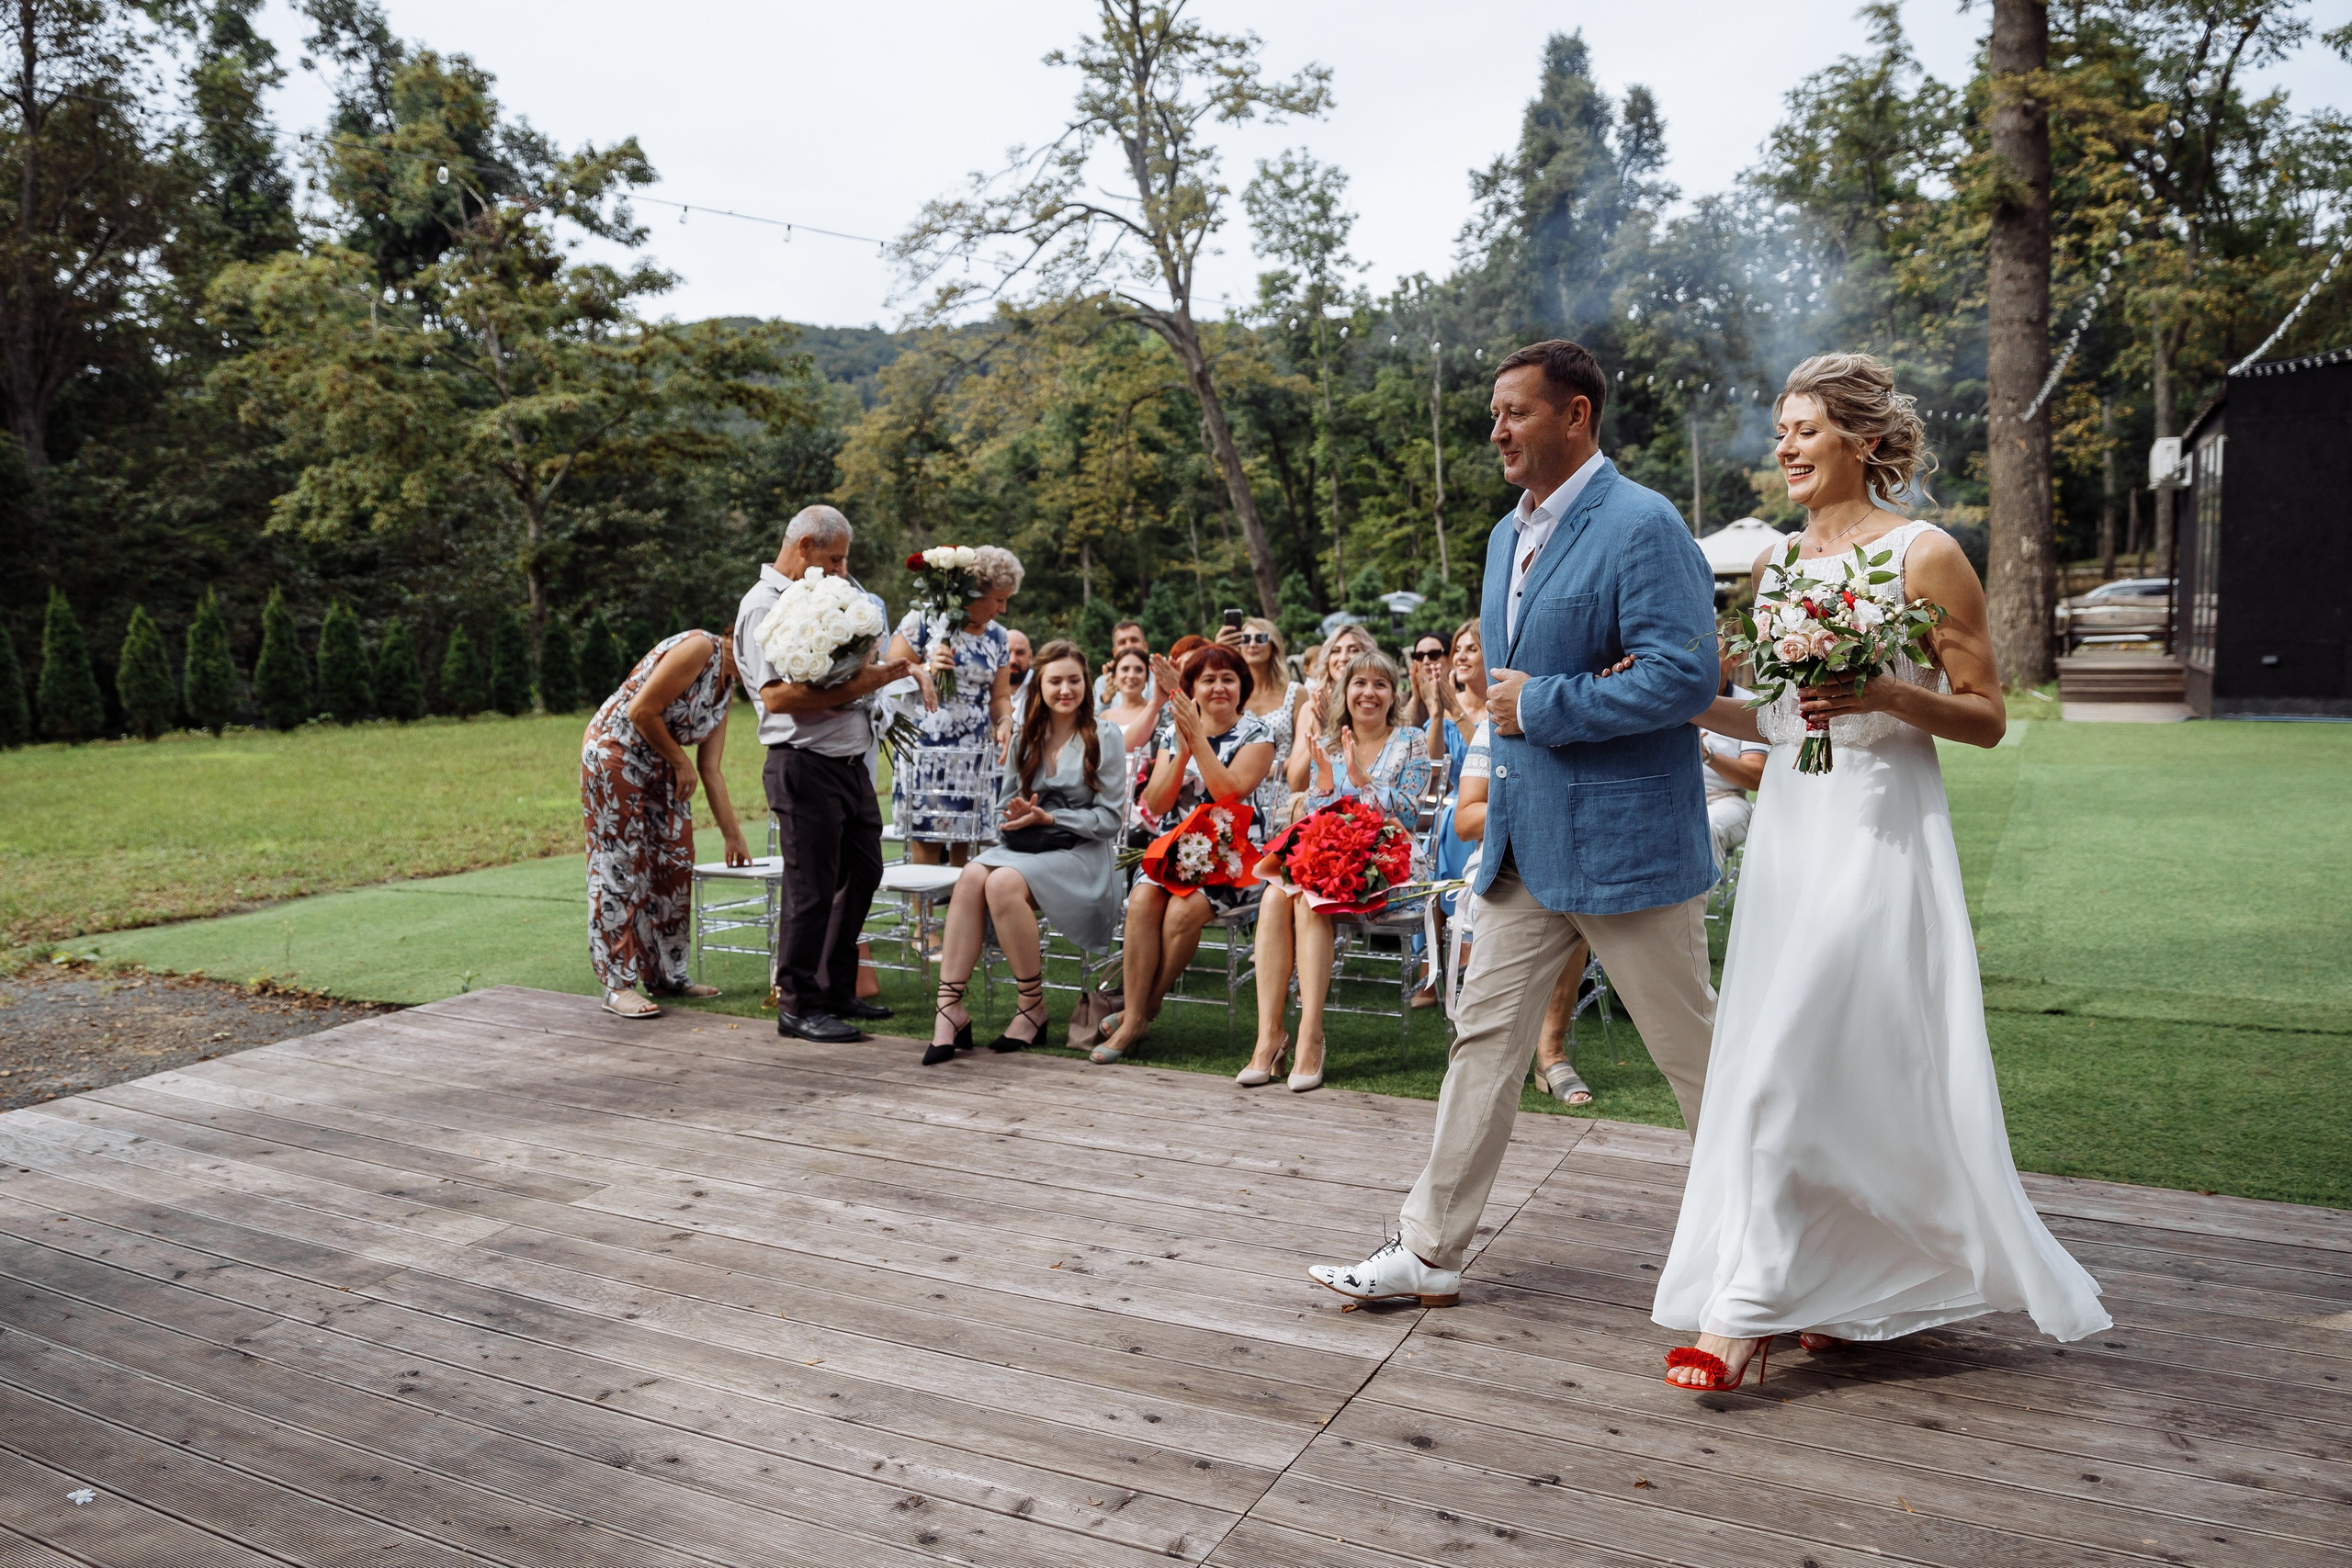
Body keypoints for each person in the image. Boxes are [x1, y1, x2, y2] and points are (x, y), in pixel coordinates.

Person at [1654, 353, 2109, 1391]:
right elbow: (1776, 720)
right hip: (1793, 834)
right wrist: (1674, 699)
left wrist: (1885, 694)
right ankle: (1843, 1289)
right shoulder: (1775, 564)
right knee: (1831, 1065)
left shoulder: (1924, 553)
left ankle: (1742, 1312)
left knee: (1782, 1063)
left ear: (1863, 441)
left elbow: (1987, 717)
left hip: (1880, 832)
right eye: (1780, 429)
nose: (1785, 447)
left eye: (1805, 429)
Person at [1307, 338, 1721, 1310]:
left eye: (1515, 412)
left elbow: (1685, 678)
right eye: (1493, 413)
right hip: (1520, 849)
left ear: (1576, 415)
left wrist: (1542, 703)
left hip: (1624, 849)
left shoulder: (1645, 523)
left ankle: (1780, 1250)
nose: (1496, 429)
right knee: (1481, 1040)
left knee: (1696, 1061)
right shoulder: (1504, 536)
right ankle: (1428, 1250)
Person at [733, 506, 910, 1043]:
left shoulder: (824, 593)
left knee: (864, 872)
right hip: (804, 762)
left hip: (851, 762)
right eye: (835, 559)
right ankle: (797, 1003)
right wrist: (865, 682)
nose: (841, 571)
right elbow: (777, 698)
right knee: (810, 888)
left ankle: (835, 986)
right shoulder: (761, 605)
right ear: (805, 545)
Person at [924, 640, 1127, 1066]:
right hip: (1028, 847)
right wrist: (1017, 815)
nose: (1065, 690)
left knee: (1001, 882)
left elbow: (1109, 820)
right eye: (1055, 681)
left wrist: (1050, 818)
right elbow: (1005, 806)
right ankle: (949, 1009)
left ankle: (1031, 1007)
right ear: (1040, 686)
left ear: (1087, 684)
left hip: (1084, 854)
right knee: (971, 875)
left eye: (1074, 680)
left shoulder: (1105, 736)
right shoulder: (1025, 736)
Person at [1240, 649, 1430, 1092]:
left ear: (1393, 694)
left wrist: (1364, 780)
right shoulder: (1327, 744)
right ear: (1345, 692)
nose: (1369, 693)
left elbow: (1407, 813)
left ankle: (1310, 1036)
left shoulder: (1411, 740)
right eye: (1359, 683)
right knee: (1274, 897)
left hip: (1389, 862)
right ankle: (1270, 1036)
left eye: (1380, 684)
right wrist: (1325, 782)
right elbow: (1316, 815)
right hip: (1332, 859)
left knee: (1308, 900)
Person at [1092, 645, 1275, 1065]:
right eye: (1208, 680)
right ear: (1192, 687)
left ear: (1242, 687)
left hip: (1234, 853)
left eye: (1228, 679)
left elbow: (1228, 792)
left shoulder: (1258, 734)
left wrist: (1197, 738)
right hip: (1176, 847)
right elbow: (1157, 803)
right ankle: (1137, 1013)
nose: (1218, 687)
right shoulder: (1170, 732)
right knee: (1142, 900)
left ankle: (1140, 1012)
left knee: (1180, 913)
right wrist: (1182, 747)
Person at [581, 627, 753, 1018]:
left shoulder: (726, 689)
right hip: (615, 753)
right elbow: (640, 711)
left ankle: (666, 976)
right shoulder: (701, 648)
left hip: (664, 766)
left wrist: (733, 835)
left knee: (674, 864)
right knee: (620, 866)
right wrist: (679, 760)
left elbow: (711, 769)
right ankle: (616, 985)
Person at [888, 545, 1022, 865]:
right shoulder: (925, 621)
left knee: (968, 844)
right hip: (926, 749)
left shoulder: (998, 637)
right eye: (999, 599)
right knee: (926, 840)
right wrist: (926, 668)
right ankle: (923, 901)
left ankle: (962, 899)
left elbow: (1000, 697)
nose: (1003, 609)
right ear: (975, 592)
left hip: (972, 753)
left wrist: (1005, 721)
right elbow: (886, 674)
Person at [1219, 615, 1300, 830]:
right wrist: (1220, 651)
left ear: (1274, 645)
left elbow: (1304, 749)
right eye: (1245, 639)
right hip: (1239, 794)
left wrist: (1269, 769)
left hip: (1282, 793)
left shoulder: (1296, 693)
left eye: (1261, 638)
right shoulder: (1228, 693)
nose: (1252, 644)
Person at [1697, 648, 1770, 867]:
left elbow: (1755, 777)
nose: (1704, 659)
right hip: (1679, 796)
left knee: (1708, 826)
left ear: (1734, 659)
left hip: (1727, 799)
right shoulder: (1675, 699)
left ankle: (1702, 892)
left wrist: (1708, 756)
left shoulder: (1749, 704)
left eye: (1714, 653)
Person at [1289, 623, 1378, 794]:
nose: (1343, 657)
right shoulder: (1311, 709)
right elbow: (1296, 784)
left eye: (1353, 650)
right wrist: (1324, 734)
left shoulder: (1375, 707)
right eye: (1335, 651)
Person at [1094, 619, 1148, 705]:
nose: (1129, 646)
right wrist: (1106, 698)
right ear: (1114, 652)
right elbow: (1092, 713)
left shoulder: (1159, 680)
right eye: (1122, 642)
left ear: (1145, 647)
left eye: (1134, 640)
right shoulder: (1101, 683)